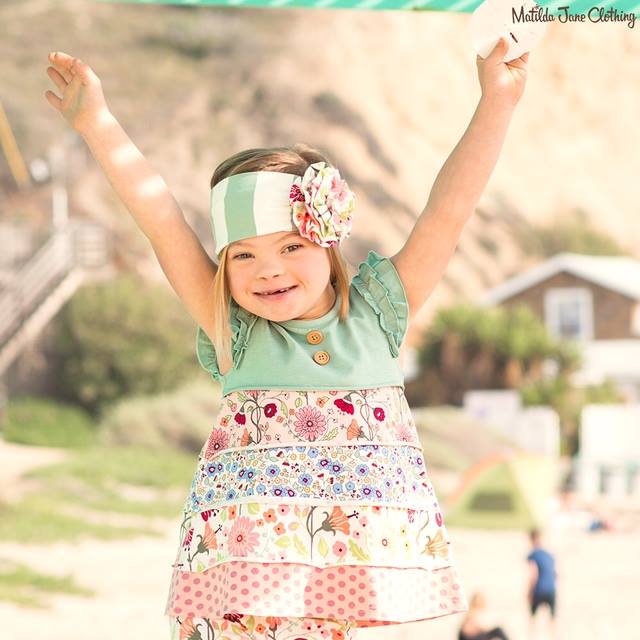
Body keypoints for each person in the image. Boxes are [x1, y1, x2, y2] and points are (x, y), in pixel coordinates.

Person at [44, 35, 529, 640]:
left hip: (334, 584)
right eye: (242, 256)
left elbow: (449, 210)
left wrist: (497, 101)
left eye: (290, 247)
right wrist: (98, 123)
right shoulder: (236, 329)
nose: (268, 270)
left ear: (328, 240)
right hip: (244, 583)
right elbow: (161, 219)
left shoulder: (376, 315)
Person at [527, 528, 558, 640]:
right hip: (551, 588)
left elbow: (533, 574)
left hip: (539, 588)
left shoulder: (533, 555)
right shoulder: (550, 555)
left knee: (533, 617)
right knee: (552, 618)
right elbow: (556, 574)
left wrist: (529, 591)